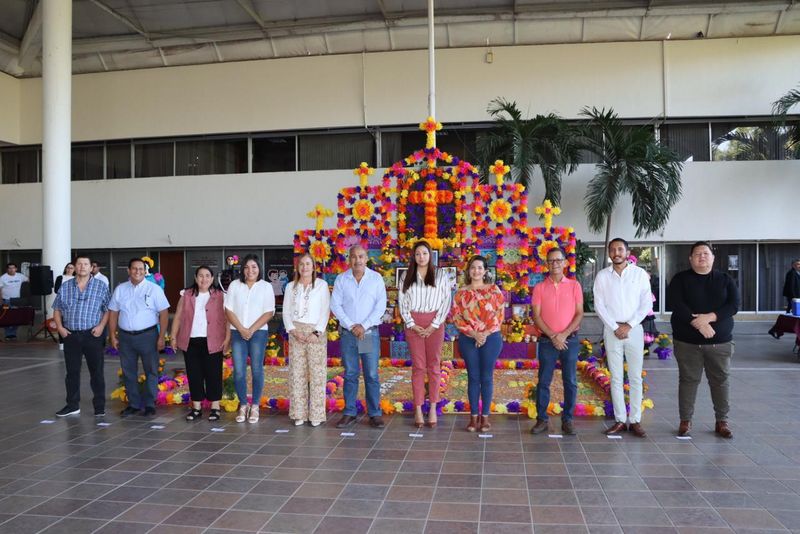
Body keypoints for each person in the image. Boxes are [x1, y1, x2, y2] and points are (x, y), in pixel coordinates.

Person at [668, 241, 739, 439]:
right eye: (697, 254)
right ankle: (685, 421)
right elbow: (677, 304)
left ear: (713, 258)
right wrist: (699, 323)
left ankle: (722, 421)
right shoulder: (680, 279)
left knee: (721, 381)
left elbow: (734, 305)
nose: (702, 257)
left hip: (720, 343)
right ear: (690, 258)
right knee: (688, 381)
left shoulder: (725, 279)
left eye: (706, 253)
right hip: (687, 343)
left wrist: (709, 317)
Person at [593, 238, 652, 438]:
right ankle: (620, 420)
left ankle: (635, 420)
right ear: (609, 253)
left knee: (635, 377)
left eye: (620, 249)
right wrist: (615, 326)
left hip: (634, 329)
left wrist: (629, 325)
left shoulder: (639, 274)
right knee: (616, 377)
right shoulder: (602, 276)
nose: (616, 252)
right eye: (613, 249)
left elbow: (646, 303)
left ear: (627, 252)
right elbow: (599, 305)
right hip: (612, 330)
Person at [331, 245, 387, 428]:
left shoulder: (376, 279)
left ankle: (375, 413)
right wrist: (352, 325)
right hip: (348, 334)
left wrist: (363, 326)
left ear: (366, 257)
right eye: (354, 257)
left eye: (361, 256)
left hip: (368, 334)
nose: (357, 260)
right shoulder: (341, 279)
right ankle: (349, 412)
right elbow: (336, 306)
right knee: (351, 373)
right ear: (349, 259)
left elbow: (380, 306)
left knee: (371, 374)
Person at [530, 247, 584, 436]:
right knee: (544, 381)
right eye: (551, 261)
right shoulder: (539, 288)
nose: (555, 264)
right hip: (547, 342)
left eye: (558, 260)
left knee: (570, 381)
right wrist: (553, 336)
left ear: (565, 263)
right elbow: (536, 316)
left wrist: (563, 335)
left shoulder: (574, 286)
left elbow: (579, 313)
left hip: (570, 340)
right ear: (547, 264)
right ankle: (542, 419)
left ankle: (568, 420)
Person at [399, 241, 452, 428]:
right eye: (418, 254)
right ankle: (419, 409)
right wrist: (412, 324)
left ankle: (433, 408)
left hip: (435, 323)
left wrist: (434, 324)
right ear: (414, 256)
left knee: (434, 367)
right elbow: (402, 302)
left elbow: (446, 300)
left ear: (430, 255)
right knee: (419, 367)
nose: (421, 257)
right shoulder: (407, 275)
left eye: (425, 253)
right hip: (413, 324)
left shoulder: (440, 275)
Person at [108, 258, 170, 417]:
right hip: (125, 337)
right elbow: (113, 313)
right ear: (129, 270)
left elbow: (163, 313)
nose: (138, 272)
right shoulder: (120, 289)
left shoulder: (154, 289)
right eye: (134, 269)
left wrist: (162, 336)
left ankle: (150, 404)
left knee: (151, 370)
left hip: (148, 336)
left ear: (145, 271)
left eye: (141, 269)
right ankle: (134, 404)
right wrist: (112, 336)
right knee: (128, 371)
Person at [451, 255, 505, 432]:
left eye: (480, 267)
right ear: (468, 270)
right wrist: (474, 333)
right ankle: (473, 418)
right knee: (473, 377)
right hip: (468, 339)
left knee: (486, 377)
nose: (476, 271)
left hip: (491, 338)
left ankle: (486, 418)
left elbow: (499, 315)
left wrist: (485, 333)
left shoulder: (494, 290)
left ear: (485, 271)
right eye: (473, 267)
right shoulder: (461, 293)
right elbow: (456, 318)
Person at [52, 256, 110, 417]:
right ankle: (72, 405)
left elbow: (108, 309)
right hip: (71, 335)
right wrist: (61, 329)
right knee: (72, 372)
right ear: (74, 267)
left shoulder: (101, 286)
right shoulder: (65, 287)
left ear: (92, 267)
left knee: (96, 372)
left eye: (86, 264)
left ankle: (99, 407)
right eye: (79, 264)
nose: (82, 267)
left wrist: (101, 327)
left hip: (93, 334)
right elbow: (57, 309)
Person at [169, 266, 230, 422]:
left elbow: (227, 319)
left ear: (212, 278)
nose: (204, 279)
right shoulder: (186, 295)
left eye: (207, 276)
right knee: (194, 374)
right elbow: (177, 317)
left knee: (213, 374)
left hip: (213, 340)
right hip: (191, 341)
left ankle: (215, 407)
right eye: (201, 276)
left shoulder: (220, 295)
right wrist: (173, 337)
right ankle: (196, 407)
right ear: (196, 278)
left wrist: (227, 339)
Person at [224, 254, 275, 424]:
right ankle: (243, 404)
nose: (250, 270)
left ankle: (255, 406)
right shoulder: (234, 285)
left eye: (254, 267)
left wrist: (251, 330)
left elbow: (269, 312)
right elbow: (228, 310)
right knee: (238, 371)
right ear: (242, 269)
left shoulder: (266, 287)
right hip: (238, 333)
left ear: (259, 268)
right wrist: (241, 329)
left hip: (258, 333)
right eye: (246, 267)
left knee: (256, 369)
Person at [283, 253, 330, 427]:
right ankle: (299, 413)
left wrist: (316, 333)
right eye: (301, 264)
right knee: (297, 374)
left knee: (317, 374)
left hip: (315, 333)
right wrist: (293, 331)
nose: (305, 267)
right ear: (297, 267)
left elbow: (325, 311)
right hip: (296, 332)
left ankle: (316, 414)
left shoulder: (321, 285)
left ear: (314, 266)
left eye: (308, 264)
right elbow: (286, 312)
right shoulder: (290, 287)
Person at [0, 262, 29, 340]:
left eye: (13, 268)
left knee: (16, 317)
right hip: (6, 300)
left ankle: (13, 334)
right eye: (10, 268)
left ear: (16, 269)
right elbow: (0, 290)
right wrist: (1, 301)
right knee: (6, 317)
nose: (11, 269)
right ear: (7, 269)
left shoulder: (20, 276)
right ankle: (8, 334)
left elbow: (28, 280)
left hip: (17, 301)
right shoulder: (3, 278)